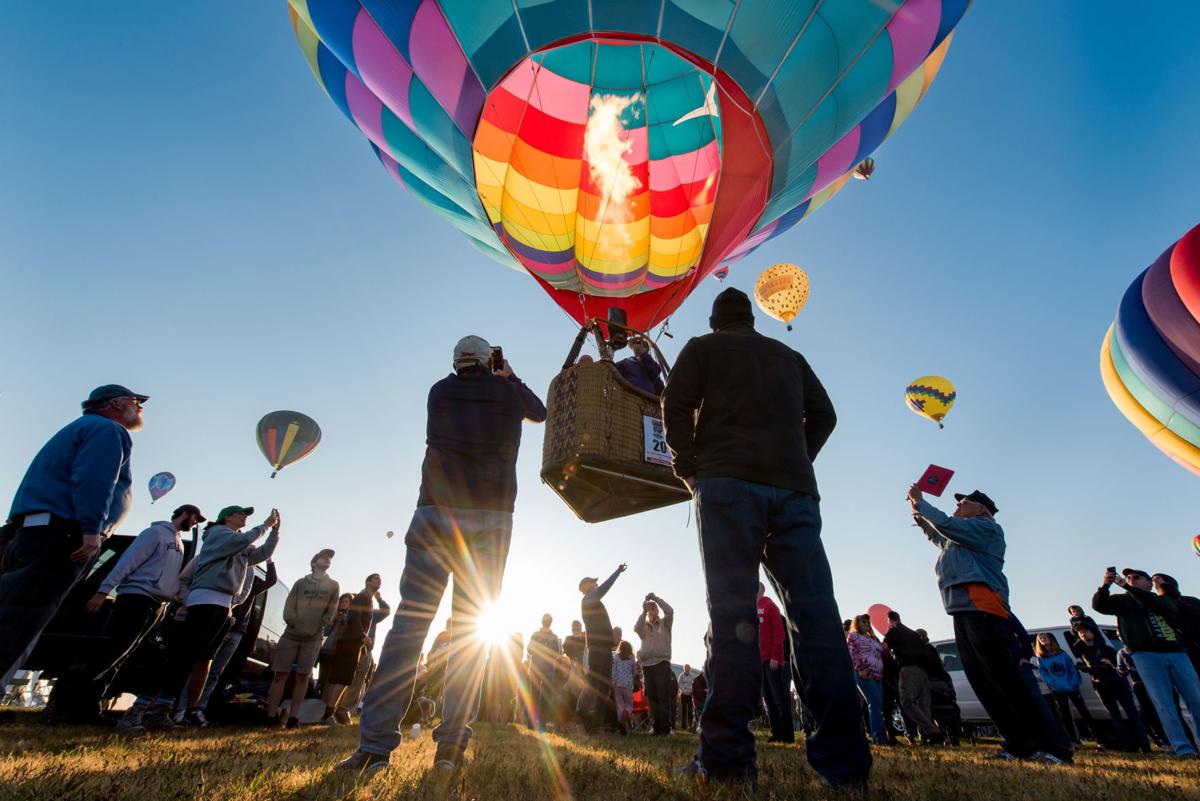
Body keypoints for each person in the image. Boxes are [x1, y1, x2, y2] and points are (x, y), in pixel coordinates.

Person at [663, 288, 869, 789]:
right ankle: (844, 767)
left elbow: (675, 403)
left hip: (727, 485)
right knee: (817, 618)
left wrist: (689, 464)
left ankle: (728, 761)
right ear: (753, 319)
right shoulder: (789, 356)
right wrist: (797, 459)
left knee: (733, 616)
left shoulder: (702, 349)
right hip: (795, 493)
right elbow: (826, 415)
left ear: (715, 322)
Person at [336, 336, 545, 778]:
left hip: (435, 514)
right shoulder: (509, 392)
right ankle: (450, 748)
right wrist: (509, 375)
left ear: (455, 362)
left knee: (409, 628)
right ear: (490, 361)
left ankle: (374, 748)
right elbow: (539, 411)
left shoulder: (439, 391)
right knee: (470, 634)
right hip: (490, 520)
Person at [908, 485, 1072, 763]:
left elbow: (945, 525)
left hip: (984, 608)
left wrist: (922, 504)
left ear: (981, 510)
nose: (957, 506)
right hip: (963, 610)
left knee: (1006, 682)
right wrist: (920, 516)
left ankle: (1052, 747)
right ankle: (1018, 744)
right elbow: (940, 536)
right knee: (984, 683)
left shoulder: (986, 529)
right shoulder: (961, 538)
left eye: (964, 503)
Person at [1, 384, 146, 687]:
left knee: (13, 612)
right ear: (117, 404)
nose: (141, 408)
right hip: (63, 536)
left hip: (32, 532)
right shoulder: (108, 430)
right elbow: (95, 480)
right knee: (22, 621)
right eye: (137, 401)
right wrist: (92, 531)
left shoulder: (77, 429)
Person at [120, 506, 280, 731]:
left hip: (223, 606)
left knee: (199, 659)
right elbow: (244, 540)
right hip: (204, 601)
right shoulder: (217, 535)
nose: (244, 517)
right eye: (241, 513)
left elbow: (261, 554)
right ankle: (138, 710)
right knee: (179, 656)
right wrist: (265, 526)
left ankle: (162, 710)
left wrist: (274, 534)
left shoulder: (239, 544)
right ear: (227, 517)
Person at [42, 504, 203, 724]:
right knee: (111, 653)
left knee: (122, 657)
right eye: (194, 518)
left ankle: (89, 708)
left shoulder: (178, 544)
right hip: (136, 598)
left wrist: (171, 602)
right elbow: (127, 562)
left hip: (156, 605)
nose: (195, 523)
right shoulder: (154, 534)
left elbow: (172, 578)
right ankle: (60, 705)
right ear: (184, 514)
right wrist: (103, 590)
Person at [1093, 567, 1200, 756]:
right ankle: (1183, 749)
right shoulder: (1122, 601)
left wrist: (1128, 586)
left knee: (1195, 700)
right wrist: (1105, 585)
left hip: (1176, 653)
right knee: (1163, 703)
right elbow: (1100, 605)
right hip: (1145, 655)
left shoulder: (1163, 599)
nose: (1130, 579)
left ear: (1149, 583)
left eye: (1136, 577)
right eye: (1128, 577)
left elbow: (1165, 607)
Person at [190, 557, 277, 717]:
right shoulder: (227, 584)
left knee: (215, 672)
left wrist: (269, 561)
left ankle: (200, 708)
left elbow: (271, 580)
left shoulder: (253, 588)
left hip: (237, 632)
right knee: (200, 666)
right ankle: (185, 707)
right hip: (222, 625)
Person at [267, 549, 339, 727]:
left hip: (313, 638)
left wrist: (319, 625)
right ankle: (270, 715)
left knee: (302, 676)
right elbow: (289, 605)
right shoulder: (300, 583)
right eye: (324, 557)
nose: (327, 560)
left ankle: (293, 717)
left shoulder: (333, 585)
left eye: (329, 558)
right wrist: (292, 622)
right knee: (280, 675)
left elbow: (331, 610)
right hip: (291, 635)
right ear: (314, 562)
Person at [1073, 624, 1150, 752]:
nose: (1083, 635)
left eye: (1085, 632)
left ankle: (1145, 746)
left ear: (1093, 632)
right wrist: (1082, 665)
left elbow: (1119, 666)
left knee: (1132, 713)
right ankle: (1129, 746)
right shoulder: (1082, 650)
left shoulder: (1106, 648)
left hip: (1117, 683)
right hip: (1100, 685)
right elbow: (1083, 665)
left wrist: (1109, 664)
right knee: (1114, 716)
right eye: (1080, 633)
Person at [578, 565, 626, 732]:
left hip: (605, 648)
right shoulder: (588, 600)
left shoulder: (596, 602)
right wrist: (617, 572)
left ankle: (596, 723)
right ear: (588, 587)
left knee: (604, 686)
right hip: (597, 648)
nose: (597, 584)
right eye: (594, 583)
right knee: (593, 682)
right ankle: (581, 711)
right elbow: (604, 588)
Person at [882, 610, 941, 744]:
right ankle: (927, 737)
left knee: (907, 701)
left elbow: (884, 648)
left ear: (889, 620)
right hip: (922, 671)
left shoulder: (893, 632)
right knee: (923, 704)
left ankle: (931, 730)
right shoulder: (912, 633)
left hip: (908, 669)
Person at [338, 574, 391, 720]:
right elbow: (354, 618)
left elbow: (386, 611)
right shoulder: (361, 598)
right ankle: (338, 709)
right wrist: (362, 636)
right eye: (375, 579)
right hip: (356, 644)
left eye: (380, 579)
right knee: (347, 677)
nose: (379, 581)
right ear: (367, 582)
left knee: (359, 680)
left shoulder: (372, 608)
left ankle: (346, 709)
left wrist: (380, 599)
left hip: (367, 648)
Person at [1034, 632, 1092, 747]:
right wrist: (1053, 683)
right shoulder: (1041, 658)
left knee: (1084, 712)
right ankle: (1074, 741)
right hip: (1057, 689)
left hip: (1072, 687)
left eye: (1045, 637)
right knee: (1066, 716)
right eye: (1041, 638)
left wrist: (1074, 682)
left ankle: (1100, 740)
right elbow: (1044, 673)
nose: (1043, 639)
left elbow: (1071, 668)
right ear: (1039, 642)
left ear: (1050, 639)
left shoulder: (1062, 654)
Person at [756, 583, 793, 743]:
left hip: (772, 661)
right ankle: (776, 733)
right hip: (759, 662)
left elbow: (780, 634)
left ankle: (787, 735)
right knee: (768, 699)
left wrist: (776, 656)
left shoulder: (770, 606)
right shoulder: (750, 609)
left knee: (780, 698)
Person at [319, 592, 364, 724]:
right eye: (342, 601)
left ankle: (329, 711)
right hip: (328, 650)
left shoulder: (351, 617)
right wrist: (333, 620)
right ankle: (322, 711)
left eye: (346, 602)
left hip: (340, 651)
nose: (343, 604)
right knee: (326, 681)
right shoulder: (334, 615)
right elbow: (326, 632)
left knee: (337, 680)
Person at [634, 592, 674, 736]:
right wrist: (643, 611)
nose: (651, 610)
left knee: (662, 696)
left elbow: (670, 611)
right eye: (649, 609)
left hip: (662, 663)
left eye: (653, 608)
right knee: (652, 697)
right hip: (647, 665)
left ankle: (666, 729)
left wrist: (656, 599)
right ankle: (657, 728)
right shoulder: (644, 627)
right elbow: (636, 627)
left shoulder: (665, 623)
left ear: (657, 611)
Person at [846, 614, 889, 745]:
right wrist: (859, 668)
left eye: (867, 622)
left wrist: (884, 647)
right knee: (874, 703)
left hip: (877, 674)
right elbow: (851, 654)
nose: (866, 624)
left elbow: (882, 654)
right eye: (863, 622)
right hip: (864, 673)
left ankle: (881, 735)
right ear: (857, 623)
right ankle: (879, 737)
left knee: (879, 705)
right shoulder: (853, 637)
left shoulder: (872, 638)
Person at [1152, 574, 1200, 674]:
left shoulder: (1189, 600)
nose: (1156, 583)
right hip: (1179, 650)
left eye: (1159, 580)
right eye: (1153, 581)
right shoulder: (1156, 605)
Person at [528, 613, 563, 730]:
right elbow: (557, 655)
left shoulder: (535, 635)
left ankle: (531, 723)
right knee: (545, 697)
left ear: (542, 621)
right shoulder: (554, 638)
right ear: (550, 623)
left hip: (535, 669)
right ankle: (542, 723)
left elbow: (529, 650)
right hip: (548, 670)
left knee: (533, 694)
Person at [612, 640, 639, 733]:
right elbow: (634, 672)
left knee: (620, 705)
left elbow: (614, 671)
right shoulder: (631, 658)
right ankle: (625, 717)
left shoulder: (616, 657)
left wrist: (613, 681)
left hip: (617, 684)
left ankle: (621, 721)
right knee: (629, 704)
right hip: (628, 685)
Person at [678, 664, 697, 732]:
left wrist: (691, 691)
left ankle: (690, 724)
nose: (686, 669)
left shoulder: (692, 676)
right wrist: (684, 690)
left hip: (690, 695)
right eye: (685, 668)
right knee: (684, 710)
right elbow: (679, 684)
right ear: (684, 669)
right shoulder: (681, 675)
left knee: (690, 710)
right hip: (683, 694)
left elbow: (694, 684)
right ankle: (683, 725)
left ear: (689, 669)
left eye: (687, 668)